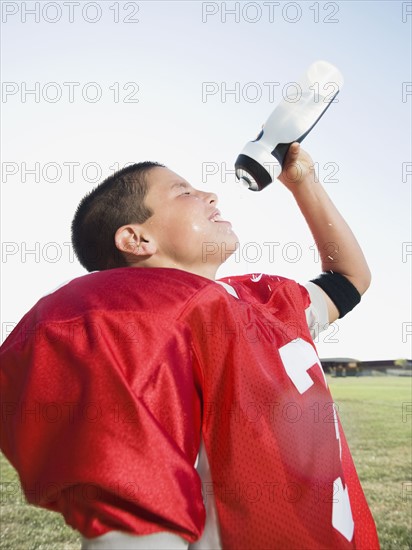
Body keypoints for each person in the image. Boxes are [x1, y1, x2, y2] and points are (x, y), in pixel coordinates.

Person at [0, 143, 380, 549]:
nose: (210, 195)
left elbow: (349, 278)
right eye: (183, 192)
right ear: (136, 238)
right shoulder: (121, 318)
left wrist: (304, 183)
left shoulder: (257, 301)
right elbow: (135, 529)